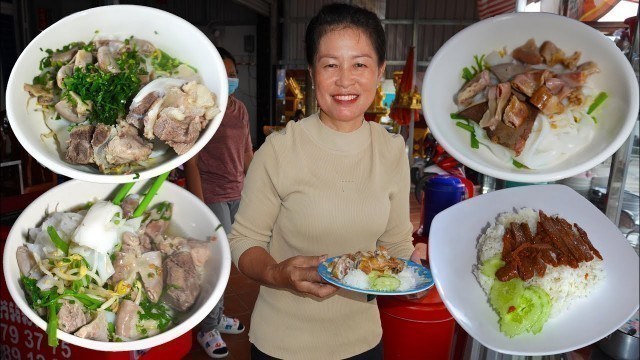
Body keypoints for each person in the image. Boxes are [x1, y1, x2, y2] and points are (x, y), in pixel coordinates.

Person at [227, 3, 427, 359]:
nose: (345, 80)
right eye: (330, 64)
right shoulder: (279, 149)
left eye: (360, 64)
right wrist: (276, 273)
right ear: (312, 72)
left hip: (363, 341)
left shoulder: (393, 149)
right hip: (282, 344)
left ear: (380, 71)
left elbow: (395, 241)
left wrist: (414, 271)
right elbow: (243, 241)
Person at [184, 47, 254, 359]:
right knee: (215, 264)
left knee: (228, 264)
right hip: (210, 196)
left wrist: (256, 190)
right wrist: (200, 206)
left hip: (237, 193)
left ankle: (217, 316)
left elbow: (247, 154)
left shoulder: (239, 109)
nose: (230, 78)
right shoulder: (201, 112)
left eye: (232, 72)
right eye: (222, 73)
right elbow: (191, 163)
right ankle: (207, 328)